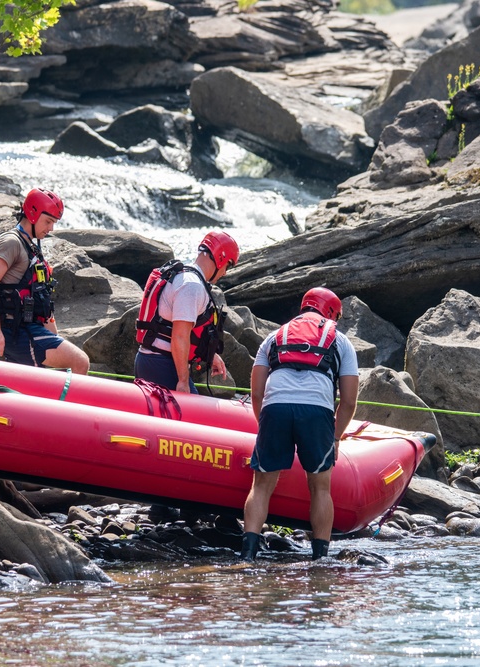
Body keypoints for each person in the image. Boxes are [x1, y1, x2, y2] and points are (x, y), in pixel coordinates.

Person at [240, 287, 359, 561]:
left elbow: (257, 393)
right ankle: (320, 558)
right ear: (330, 313)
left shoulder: (273, 337)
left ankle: (247, 555)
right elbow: (349, 401)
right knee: (320, 486)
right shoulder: (340, 340)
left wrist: (265, 424)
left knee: (261, 485)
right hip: (316, 412)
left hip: (275, 406)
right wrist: (336, 437)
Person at [0, 188, 89, 374]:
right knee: (80, 362)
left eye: (53, 223)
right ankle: (70, 405)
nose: (51, 228)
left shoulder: (31, 247)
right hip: (18, 333)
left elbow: (40, 296)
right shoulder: (11, 242)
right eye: (48, 221)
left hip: (30, 331)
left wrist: (53, 337)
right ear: (32, 214)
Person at [134, 230, 239, 394]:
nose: (225, 273)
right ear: (220, 259)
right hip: (161, 364)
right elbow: (180, 336)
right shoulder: (192, 286)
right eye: (227, 266)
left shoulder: (185, 275)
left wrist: (211, 356)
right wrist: (182, 381)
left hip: (150, 360)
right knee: (192, 418)